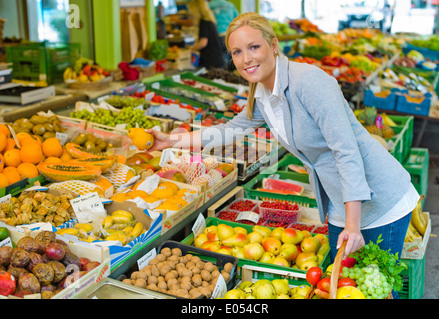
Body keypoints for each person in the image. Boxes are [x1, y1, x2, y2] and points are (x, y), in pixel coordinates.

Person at [146, 12, 419, 267]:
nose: (246, 59)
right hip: (341, 201)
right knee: (343, 285)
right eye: (237, 52)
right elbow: (228, 130)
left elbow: (345, 151)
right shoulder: (262, 94)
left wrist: (352, 224)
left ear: (273, 45)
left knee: (374, 286)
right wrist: (169, 140)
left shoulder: (309, 82)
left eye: (254, 47)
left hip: (379, 200)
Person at [188, 0, 225, 68]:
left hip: (212, 61)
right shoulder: (209, 21)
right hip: (217, 59)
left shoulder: (203, 22)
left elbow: (203, 43)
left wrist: (191, 49)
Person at [207, 0, 239, 69]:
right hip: (230, 35)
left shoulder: (209, 6)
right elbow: (238, 20)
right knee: (232, 59)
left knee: (220, 62)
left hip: (216, 37)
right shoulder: (230, 5)